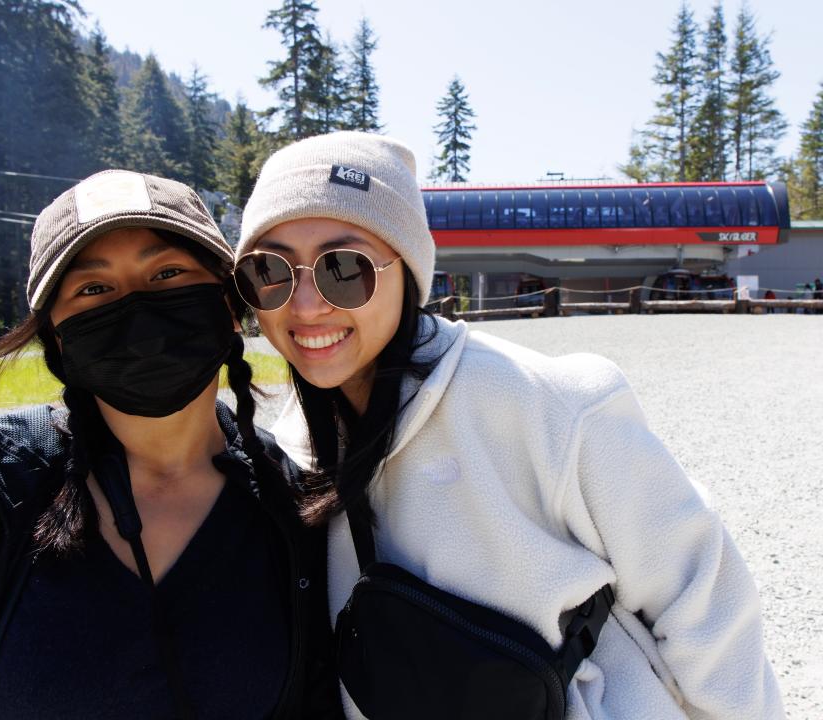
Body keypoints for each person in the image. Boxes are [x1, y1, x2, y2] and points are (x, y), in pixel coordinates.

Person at [232, 132, 785, 719]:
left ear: (408, 271)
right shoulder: (290, 445)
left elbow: (705, 602)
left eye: (344, 268)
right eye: (270, 269)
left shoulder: (548, 403)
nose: (307, 305)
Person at [0, 170, 341, 720]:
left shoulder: (295, 506)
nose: (137, 310)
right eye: (93, 290)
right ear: (58, 339)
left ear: (229, 305)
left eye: (167, 272)